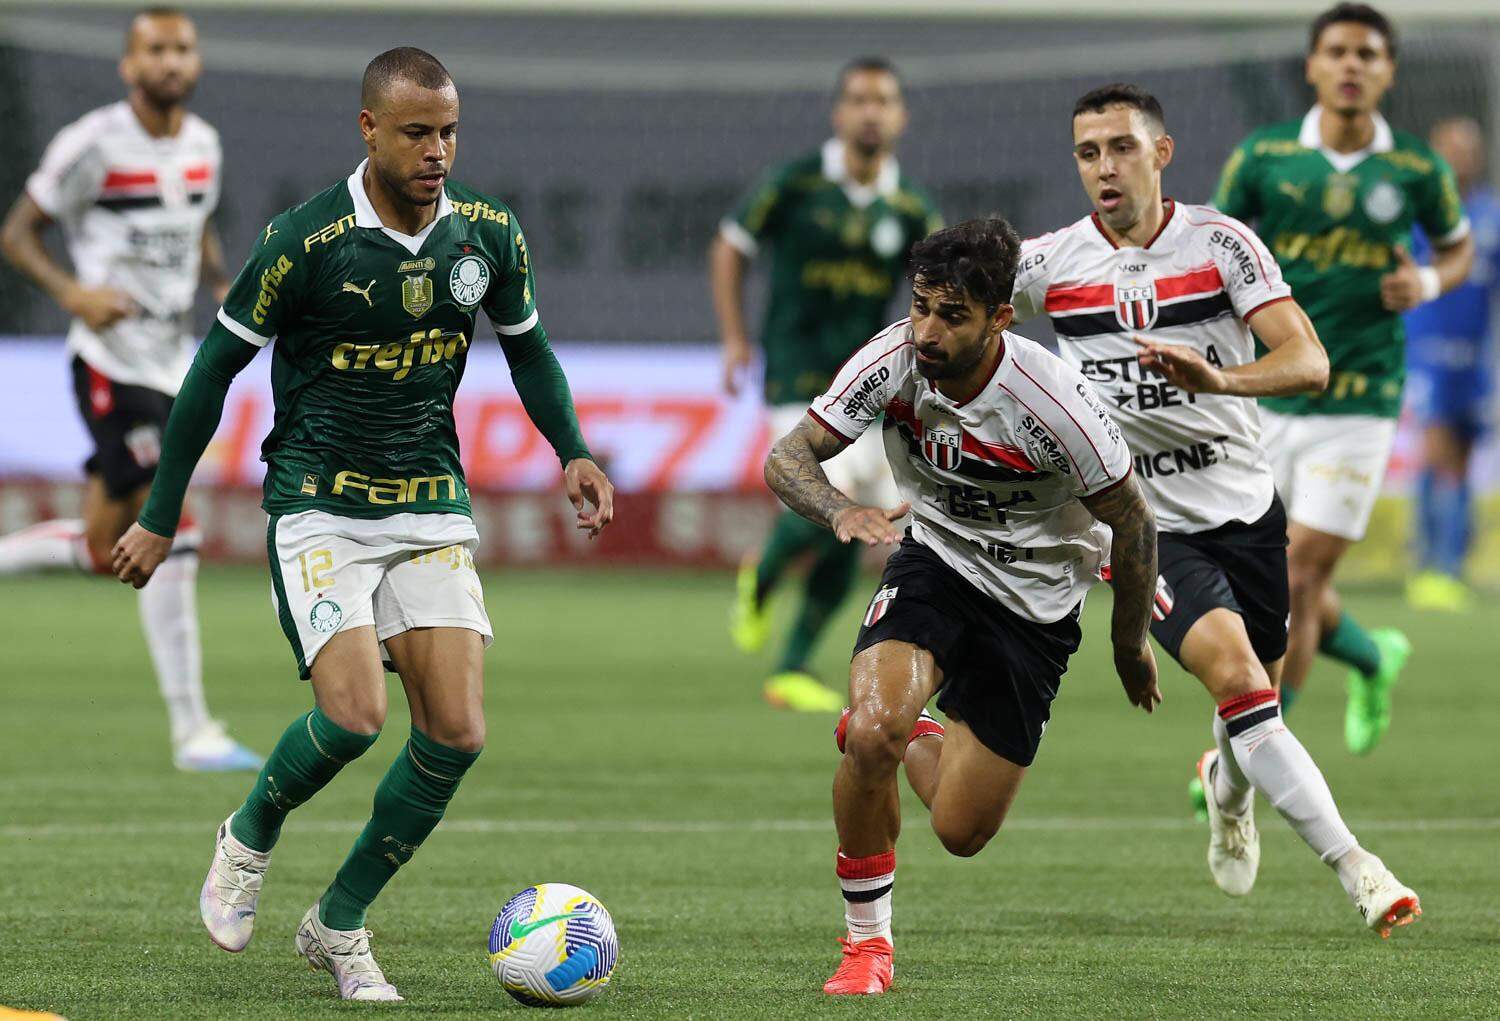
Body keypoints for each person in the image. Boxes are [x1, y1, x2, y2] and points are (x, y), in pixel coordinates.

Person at [111, 48, 615, 1002]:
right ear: (369, 130)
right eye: (418, 132)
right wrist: (159, 516)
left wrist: (573, 449)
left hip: (427, 498)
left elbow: (531, 350)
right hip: (317, 502)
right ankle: (249, 833)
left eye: (450, 131)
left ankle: (338, 922)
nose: (438, 151)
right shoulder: (306, 242)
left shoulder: (487, 236)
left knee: (457, 732)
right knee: (353, 717)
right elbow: (209, 376)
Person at [1012, 83, 1420, 937]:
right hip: (1145, 528)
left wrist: (1220, 378)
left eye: (1121, 147)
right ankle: (1361, 869)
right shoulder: (1048, 265)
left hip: (1247, 508)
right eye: (1088, 153)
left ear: (1162, 153)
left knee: (1252, 704)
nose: (1104, 167)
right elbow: (957, 329)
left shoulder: (1223, 246)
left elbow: (1309, 362)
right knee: (1241, 681)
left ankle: (1227, 790)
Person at [764, 218, 1161, 995]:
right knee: (873, 736)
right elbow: (789, 455)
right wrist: (839, 508)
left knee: (960, 829)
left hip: (1037, 607)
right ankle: (866, 946)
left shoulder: (1055, 405)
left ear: (1000, 318)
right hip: (936, 562)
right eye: (920, 306)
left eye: (952, 315)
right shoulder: (893, 360)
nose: (928, 330)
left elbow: (1134, 520)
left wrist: (1129, 642)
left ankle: (904, 727)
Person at [0, 6, 259, 772]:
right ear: (128, 64)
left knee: (104, 546)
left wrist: (218, 280)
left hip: (171, 363)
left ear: (196, 60)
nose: (171, 62)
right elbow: (16, 233)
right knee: (169, 522)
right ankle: (193, 731)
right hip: (110, 362)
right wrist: (74, 294)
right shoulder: (92, 143)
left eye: (182, 49)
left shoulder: (205, 145)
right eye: (155, 50)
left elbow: (198, 222)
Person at [1212, 2, 1474, 755]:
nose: (1352, 65)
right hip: (1269, 390)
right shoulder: (1263, 158)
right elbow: (1213, 250)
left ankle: (1253, 749)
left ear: (1388, 70)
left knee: (1298, 575)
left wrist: (1425, 282)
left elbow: (1456, 252)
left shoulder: (1416, 169)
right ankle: (1370, 653)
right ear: (1313, 66)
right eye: (1338, 52)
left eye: (1368, 53)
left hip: (1361, 393)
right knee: (1265, 576)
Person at [713, 57, 943, 712]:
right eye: (860, 100)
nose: (871, 111)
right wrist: (734, 339)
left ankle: (789, 661)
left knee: (863, 515)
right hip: (793, 371)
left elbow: (945, 286)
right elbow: (730, 245)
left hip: (865, 383)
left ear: (899, 117)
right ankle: (765, 584)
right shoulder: (796, 184)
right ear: (839, 114)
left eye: (884, 101)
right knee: (842, 496)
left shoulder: (910, 205)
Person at [1403, 117, 1499, 611]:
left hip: (1475, 360)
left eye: (1468, 148)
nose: (1460, 157)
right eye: (1451, 148)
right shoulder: (1418, 214)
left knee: (1461, 458)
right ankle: (1434, 566)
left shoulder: (1490, 214)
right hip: (1426, 353)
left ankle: (1448, 564)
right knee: (1438, 453)